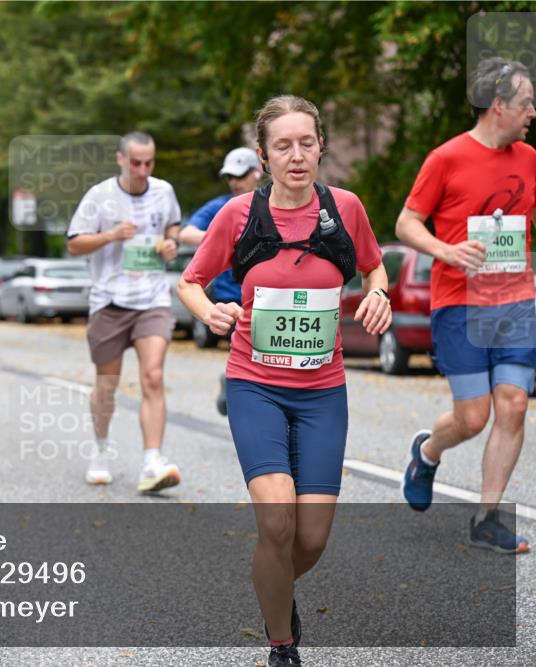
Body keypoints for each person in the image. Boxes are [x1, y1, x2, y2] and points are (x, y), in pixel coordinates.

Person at [178, 95, 390, 667]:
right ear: (263, 156)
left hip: (323, 390)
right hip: (255, 385)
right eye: (282, 146)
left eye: (306, 143)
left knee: (310, 538)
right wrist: (209, 313)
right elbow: (191, 281)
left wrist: (379, 293)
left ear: (321, 145)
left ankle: (275, 586)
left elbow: (373, 265)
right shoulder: (239, 215)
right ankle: (281, 643)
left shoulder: (345, 208)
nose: (296, 156)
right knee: (276, 519)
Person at [397, 58, 535, 554]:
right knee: (473, 418)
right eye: (525, 104)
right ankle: (428, 452)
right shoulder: (446, 158)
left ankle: (487, 519)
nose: (532, 112)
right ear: (498, 107)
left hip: (516, 301)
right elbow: (407, 223)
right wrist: (446, 250)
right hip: (460, 303)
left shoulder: (530, 158)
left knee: (514, 404)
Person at [66, 131, 183, 492]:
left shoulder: (163, 191)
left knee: (153, 376)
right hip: (109, 302)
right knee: (107, 384)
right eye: (136, 163)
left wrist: (171, 244)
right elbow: (74, 243)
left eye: (149, 162)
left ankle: (152, 461)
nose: (143, 169)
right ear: (120, 159)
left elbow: (172, 226)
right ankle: (100, 451)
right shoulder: (99, 196)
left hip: (151, 300)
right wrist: (111, 235)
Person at [180, 147, 264, 416]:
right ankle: (238, 387)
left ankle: (235, 382)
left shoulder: (275, 204)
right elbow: (186, 234)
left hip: (270, 297)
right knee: (250, 354)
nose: (234, 182)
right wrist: (224, 239)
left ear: (257, 172)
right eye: (229, 177)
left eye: (240, 175)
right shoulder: (222, 207)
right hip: (232, 300)